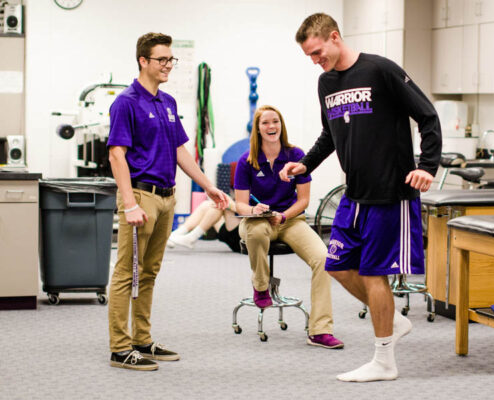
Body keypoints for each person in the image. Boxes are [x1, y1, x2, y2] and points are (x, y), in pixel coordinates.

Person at [281, 14, 442, 381]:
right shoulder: (326, 83)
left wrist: (428, 166)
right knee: (335, 264)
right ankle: (392, 321)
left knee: (373, 274)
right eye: (309, 56)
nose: (315, 61)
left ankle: (384, 361)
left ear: (335, 37)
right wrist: (304, 165)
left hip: (390, 193)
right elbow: (329, 135)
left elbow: (428, 116)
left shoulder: (381, 70)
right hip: (354, 195)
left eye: (318, 52)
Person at [106, 32, 227, 371]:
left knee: (149, 272)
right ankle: (119, 348)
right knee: (126, 274)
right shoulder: (126, 102)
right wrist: (129, 204)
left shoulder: (168, 102)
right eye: (162, 60)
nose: (168, 65)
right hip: (140, 197)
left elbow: (179, 152)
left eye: (170, 59)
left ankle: (142, 340)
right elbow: (117, 155)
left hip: (166, 197)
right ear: (143, 61)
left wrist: (209, 187)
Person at [234, 104, 344, 349]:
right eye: (265, 123)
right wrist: (254, 210)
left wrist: (283, 216)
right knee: (257, 231)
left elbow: (304, 200)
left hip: (290, 220)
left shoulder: (296, 155)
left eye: (276, 122)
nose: (271, 126)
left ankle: (320, 331)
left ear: (281, 126)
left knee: (323, 259)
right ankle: (261, 286)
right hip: (257, 222)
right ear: (258, 128)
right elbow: (240, 204)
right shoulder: (247, 161)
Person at [167, 193, 241, 253]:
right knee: (207, 205)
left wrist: (229, 205)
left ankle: (191, 238)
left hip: (241, 238)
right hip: (232, 231)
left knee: (223, 201)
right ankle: (175, 235)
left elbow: (249, 212)